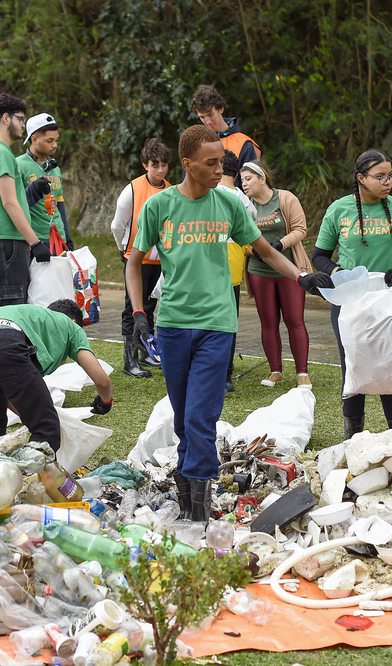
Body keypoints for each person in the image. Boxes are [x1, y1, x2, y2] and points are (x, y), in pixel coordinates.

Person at [125, 125, 333, 522]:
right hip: (171, 326)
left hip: (217, 326)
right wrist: (138, 313)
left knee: (200, 418)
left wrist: (300, 277)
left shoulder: (230, 204)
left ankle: (199, 516)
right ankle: (189, 504)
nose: (223, 168)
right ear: (187, 164)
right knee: (185, 420)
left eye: (222, 160)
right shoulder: (159, 206)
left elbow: (267, 251)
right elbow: (134, 263)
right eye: (212, 162)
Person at [312, 149, 392, 439]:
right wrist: (338, 274)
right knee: (353, 364)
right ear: (361, 178)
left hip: (389, 303)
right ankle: (353, 436)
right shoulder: (339, 210)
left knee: (391, 361)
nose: (388, 182)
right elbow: (320, 256)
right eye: (380, 176)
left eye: (391, 176)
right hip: (350, 304)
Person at [0, 300, 113, 447]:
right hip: (5, 344)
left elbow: (8, 393)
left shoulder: (33, 318)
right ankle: (40, 474)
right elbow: (102, 381)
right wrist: (106, 401)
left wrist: (29, 413)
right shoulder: (70, 326)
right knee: (46, 427)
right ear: (74, 321)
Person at [239, 159, 314, 389]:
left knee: (295, 321)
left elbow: (301, 229)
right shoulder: (244, 205)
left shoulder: (285, 198)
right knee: (268, 322)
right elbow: (239, 235)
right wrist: (253, 250)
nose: (244, 184)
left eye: (248, 178)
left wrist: (279, 245)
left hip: (289, 270)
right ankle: (275, 371)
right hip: (258, 271)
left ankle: (302, 373)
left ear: (263, 178)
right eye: (241, 180)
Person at [0, 92, 45, 307]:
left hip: (4, 241)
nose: (24, 125)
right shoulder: (0, 153)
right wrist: (35, 242)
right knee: (11, 310)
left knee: (12, 306)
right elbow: (9, 202)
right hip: (3, 242)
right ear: (6, 118)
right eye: (21, 119)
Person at [110, 138, 171, 378]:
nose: (160, 170)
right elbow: (117, 225)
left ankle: (147, 351)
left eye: (164, 165)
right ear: (145, 164)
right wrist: (124, 250)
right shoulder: (133, 189)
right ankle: (130, 360)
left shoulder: (171, 190)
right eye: (155, 164)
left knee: (151, 305)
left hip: (161, 259)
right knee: (132, 309)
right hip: (136, 258)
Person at [216, 150, 256, 392]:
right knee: (229, 324)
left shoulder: (207, 193)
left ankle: (207, 373)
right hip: (232, 271)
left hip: (208, 271)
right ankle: (226, 376)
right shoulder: (244, 200)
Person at [16, 112, 70, 249]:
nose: (55, 145)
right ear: (34, 139)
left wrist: (68, 241)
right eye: (49, 141)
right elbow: (15, 206)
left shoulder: (55, 168)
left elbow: (60, 208)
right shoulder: (18, 165)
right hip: (35, 242)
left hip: (59, 240)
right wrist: (33, 189)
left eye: (56, 140)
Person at [191, 85, 260, 173]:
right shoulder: (197, 145)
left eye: (210, 115)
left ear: (221, 109)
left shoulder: (244, 144)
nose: (208, 121)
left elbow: (251, 182)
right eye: (202, 117)